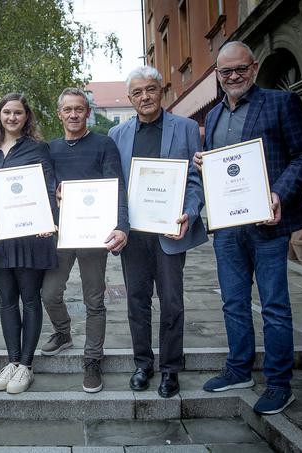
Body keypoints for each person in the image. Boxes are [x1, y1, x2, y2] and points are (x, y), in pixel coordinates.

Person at [193, 42, 302, 414]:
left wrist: (279, 193)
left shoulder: (281, 103)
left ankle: (279, 383)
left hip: (267, 223)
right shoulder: (213, 116)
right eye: (225, 71)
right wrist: (203, 162)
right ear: (217, 74)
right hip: (228, 227)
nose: (233, 77)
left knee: (274, 306)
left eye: (240, 69)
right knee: (233, 302)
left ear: (254, 66)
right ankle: (239, 368)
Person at [108, 66, 208, 399]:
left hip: (170, 233)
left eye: (150, 90)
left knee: (172, 303)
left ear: (161, 91)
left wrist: (189, 214)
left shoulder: (187, 128)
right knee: (136, 302)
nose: (144, 97)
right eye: (137, 93)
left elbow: (195, 182)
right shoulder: (117, 135)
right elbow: (115, 186)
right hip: (133, 235)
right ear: (130, 98)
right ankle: (143, 364)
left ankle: (170, 370)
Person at [39, 87, 129, 393]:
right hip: (62, 234)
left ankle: (92, 360)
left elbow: (116, 187)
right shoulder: (50, 148)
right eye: (68, 110)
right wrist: (54, 192)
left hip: (94, 234)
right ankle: (63, 333)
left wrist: (121, 226)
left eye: (79, 109)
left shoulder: (104, 144)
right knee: (49, 293)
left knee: (94, 299)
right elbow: (46, 183)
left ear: (87, 112)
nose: (74, 114)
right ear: (59, 113)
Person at [0, 93, 57, 394]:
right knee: (7, 300)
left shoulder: (38, 149)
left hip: (29, 235)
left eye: (18, 113)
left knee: (30, 299)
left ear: (27, 117)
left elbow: (49, 188)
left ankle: (26, 365)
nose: (12, 117)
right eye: (7, 112)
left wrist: (49, 221)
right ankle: (12, 361)